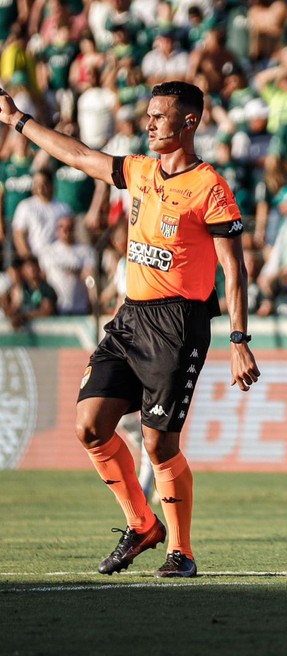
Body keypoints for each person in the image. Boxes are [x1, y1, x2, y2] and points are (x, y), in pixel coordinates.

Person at [0, 81, 261, 578]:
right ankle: (142, 524)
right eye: (149, 114)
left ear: (189, 122)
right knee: (89, 426)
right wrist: (17, 120)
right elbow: (79, 156)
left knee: (159, 445)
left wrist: (239, 340)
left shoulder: (209, 186)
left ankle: (180, 551)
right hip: (130, 318)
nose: (150, 123)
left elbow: (235, 269)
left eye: (160, 115)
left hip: (178, 325)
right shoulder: (139, 170)